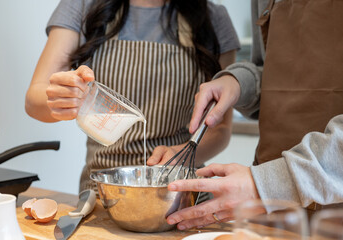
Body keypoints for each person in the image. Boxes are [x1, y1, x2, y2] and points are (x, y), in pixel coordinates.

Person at [149, 0, 343, 230]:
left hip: (329, 207)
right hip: (271, 207)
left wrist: (265, 184)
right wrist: (237, 82)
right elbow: (272, 70)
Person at [25, 0, 240, 193]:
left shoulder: (213, 18)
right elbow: (34, 99)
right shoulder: (83, 6)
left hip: (178, 189)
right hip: (103, 191)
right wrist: (63, 98)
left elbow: (220, 128)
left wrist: (181, 154)